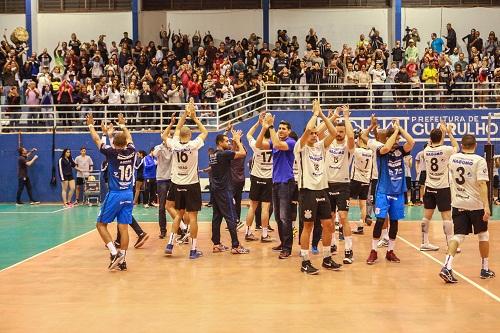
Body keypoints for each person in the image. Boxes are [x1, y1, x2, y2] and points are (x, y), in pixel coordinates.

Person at [295, 100, 342, 274]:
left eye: (316, 134)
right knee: (308, 226)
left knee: (328, 225)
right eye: (312, 134)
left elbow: (333, 131)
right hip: (307, 191)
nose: (315, 136)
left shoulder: (320, 147)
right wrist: (314, 115)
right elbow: (308, 129)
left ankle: (327, 258)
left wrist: (322, 114)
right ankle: (305, 261)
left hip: (322, 190)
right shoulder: (300, 148)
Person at [439, 134, 495, 283]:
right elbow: (482, 184)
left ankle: (447, 266)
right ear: (475, 145)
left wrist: (448, 133)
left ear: (462, 145)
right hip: (476, 205)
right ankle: (485, 268)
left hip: (458, 203)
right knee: (483, 235)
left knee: (457, 236)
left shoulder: (453, 158)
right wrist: (487, 206)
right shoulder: (479, 161)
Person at [86, 113, 135, 271]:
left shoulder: (112, 153)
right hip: (128, 193)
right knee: (124, 228)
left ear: (114, 143)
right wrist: (122, 125)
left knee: (100, 224)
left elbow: (96, 140)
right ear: (126, 143)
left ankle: (114, 253)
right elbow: (129, 138)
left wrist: (91, 125)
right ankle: (123, 260)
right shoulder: (132, 151)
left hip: (115, 194)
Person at [366, 119, 415, 265]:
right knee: (380, 220)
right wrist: (393, 134)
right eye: (396, 138)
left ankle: (390, 251)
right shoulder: (381, 150)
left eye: (398, 138)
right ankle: (373, 251)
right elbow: (386, 148)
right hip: (383, 191)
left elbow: (411, 141)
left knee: (394, 222)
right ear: (388, 138)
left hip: (398, 192)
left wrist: (399, 129)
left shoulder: (401, 151)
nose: (398, 141)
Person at [164, 101, 207, 259]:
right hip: (191, 184)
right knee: (193, 217)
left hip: (177, 184)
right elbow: (204, 132)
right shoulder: (194, 144)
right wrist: (194, 118)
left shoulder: (174, 143)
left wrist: (183, 115)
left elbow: (167, 134)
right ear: (189, 135)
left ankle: (170, 244)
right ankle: (193, 250)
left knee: (178, 215)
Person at [256, 114, 296, 259]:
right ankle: (283, 242)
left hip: (286, 183)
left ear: (289, 131)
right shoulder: (274, 141)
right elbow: (258, 145)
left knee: (285, 217)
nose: (280, 130)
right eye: (279, 128)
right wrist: (264, 128)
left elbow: (278, 144)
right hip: (276, 183)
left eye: (283, 129)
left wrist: (271, 126)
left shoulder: (291, 142)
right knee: (279, 217)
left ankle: (287, 248)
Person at [322, 106, 355, 264]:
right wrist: (333, 118)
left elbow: (351, 136)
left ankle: (348, 250)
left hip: (343, 185)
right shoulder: (328, 144)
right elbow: (321, 133)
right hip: (328, 185)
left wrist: (346, 118)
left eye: (342, 131)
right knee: (330, 218)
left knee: (343, 217)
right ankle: (333, 244)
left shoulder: (348, 146)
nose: (340, 134)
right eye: (337, 131)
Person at [209, 130, 250, 254]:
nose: (229, 143)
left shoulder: (213, 154)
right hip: (224, 190)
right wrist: (237, 140)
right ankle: (235, 246)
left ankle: (216, 244)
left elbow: (229, 152)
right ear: (220, 143)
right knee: (231, 217)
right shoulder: (223, 154)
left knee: (216, 217)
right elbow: (243, 153)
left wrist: (230, 136)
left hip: (215, 189)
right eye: (227, 141)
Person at [420, 121, 459, 251]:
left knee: (426, 216)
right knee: (447, 217)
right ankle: (450, 245)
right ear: (441, 138)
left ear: (430, 139)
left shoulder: (426, 150)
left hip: (429, 187)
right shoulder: (446, 150)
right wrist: (448, 133)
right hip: (443, 188)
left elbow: (433, 142)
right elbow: (456, 147)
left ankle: (424, 242)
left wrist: (440, 132)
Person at [244, 113, 274, 243]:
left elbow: (248, 134)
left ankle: (248, 232)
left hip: (256, 177)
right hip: (268, 178)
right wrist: (270, 125)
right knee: (265, 208)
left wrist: (258, 123)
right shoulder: (275, 145)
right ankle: (264, 234)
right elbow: (276, 136)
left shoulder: (256, 144)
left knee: (252, 206)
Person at [350, 132, 374, 235]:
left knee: (345, 201)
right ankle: (360, 228)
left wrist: (355, 141)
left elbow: (351, 146)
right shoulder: (371, 152)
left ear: (360, 140)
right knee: (363, 204)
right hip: (366, 180)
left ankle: (339, 224)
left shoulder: (357, 151)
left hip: (356, 179)